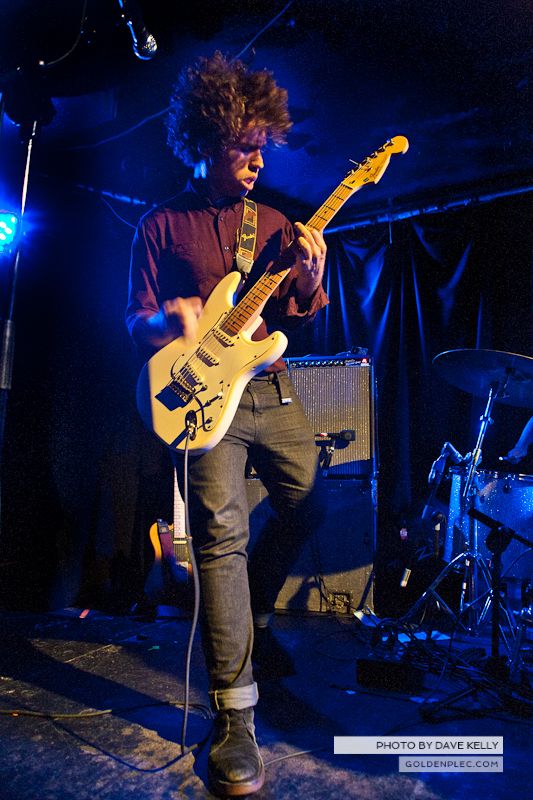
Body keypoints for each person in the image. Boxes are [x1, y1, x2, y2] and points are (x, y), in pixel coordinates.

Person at [126, 52, 328, 797]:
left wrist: (308, 281)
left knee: (312, 500)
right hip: (206, 405)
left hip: (270, 389)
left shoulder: (273, 222)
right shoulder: (159, 224)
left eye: (262, 145)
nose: (257, 158)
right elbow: (132, 317)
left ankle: (254, 614)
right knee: (219, 539)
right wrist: (165, 318)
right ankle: (234, 719)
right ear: (207, 140)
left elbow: (299, 317)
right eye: (245, 145)